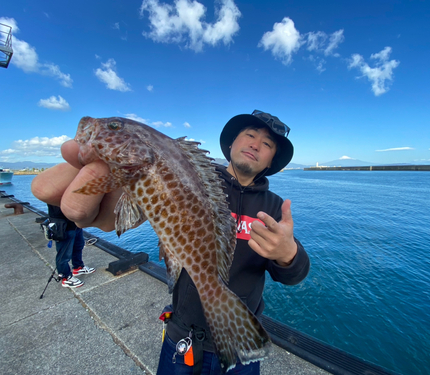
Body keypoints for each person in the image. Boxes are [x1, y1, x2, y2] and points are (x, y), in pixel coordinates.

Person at [31, 109, 310, 374]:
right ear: (232, 142)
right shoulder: (192, 173)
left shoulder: (273, 207)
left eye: (267, 144)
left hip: (240, 344)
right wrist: (102, 190)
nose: (256, 144)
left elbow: (295, 273)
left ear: (272, 159)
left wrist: (288, 254)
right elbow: (124, 209)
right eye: (250, 135)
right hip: (181, 339)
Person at [47, 203, 95, 288]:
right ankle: (65, 277)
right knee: (63, 255)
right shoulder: (53, 193)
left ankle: (78, 267)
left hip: (75, 224)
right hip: (62, 226)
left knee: (78, 246)